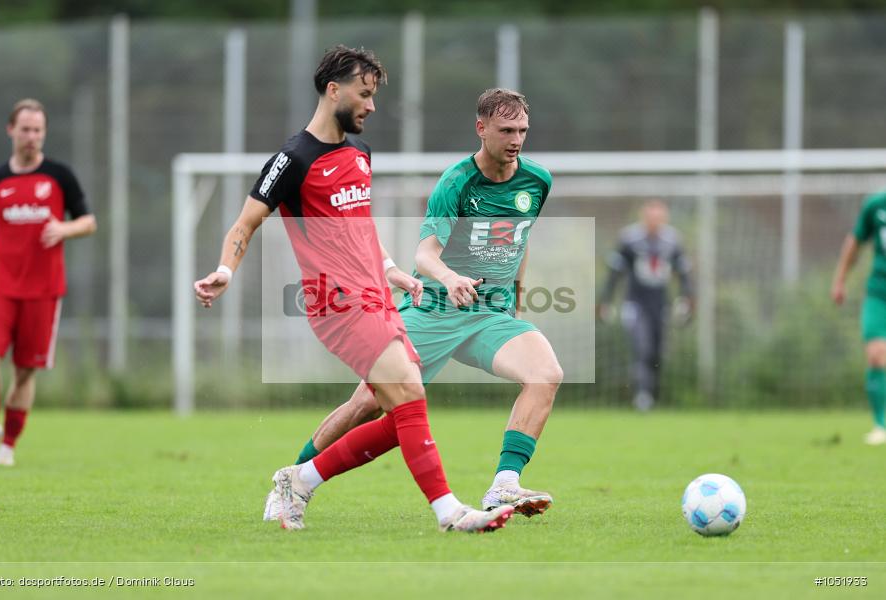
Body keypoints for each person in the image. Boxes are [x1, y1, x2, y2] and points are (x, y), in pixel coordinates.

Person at [194, 46, 514, 533]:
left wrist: (390, 269)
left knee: (397, 413)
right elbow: (245, 224)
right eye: (364, 95)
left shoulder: (360, 154)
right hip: (336, 302)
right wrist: (225, 269)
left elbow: (357, 224)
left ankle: (299, 479)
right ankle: (449, 512)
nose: (371, 105)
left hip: (378, 297)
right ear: (333, 90)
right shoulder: (292, 158)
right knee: (409, 393)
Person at [275, 88, 561, 520]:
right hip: (435, 311)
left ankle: (505, 485)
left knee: (545, 374)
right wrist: (450, 278)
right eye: (506, 130)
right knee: (367, 405)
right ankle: (292, 481)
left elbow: (521, 242)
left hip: (488, 316)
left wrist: (515, 306)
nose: (516, 138)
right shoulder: (456, 182)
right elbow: (426, 254)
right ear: (481, 129)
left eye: (522, 129)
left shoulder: (537, 181)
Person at [0, 98, 97, 466]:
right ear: (11, 130)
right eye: (25, 129)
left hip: (44, 291)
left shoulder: (59, 175)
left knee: (26, 371)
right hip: (2, 288)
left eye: (38, 130)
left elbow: (89, 221)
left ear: (44, 133)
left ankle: (8, 444)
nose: (32, 137)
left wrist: (64, 227)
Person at [597, 199, 693, 411]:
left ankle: (653, 395)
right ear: (643, 218)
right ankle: (642, 396)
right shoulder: (629, 239)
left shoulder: (673, 240)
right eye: (650, 218)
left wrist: (687, 299)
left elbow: (684, 273)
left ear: (664, 219)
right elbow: (615, 274)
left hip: (660, 304)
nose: (654, 222)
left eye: (658, 218)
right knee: (642, 347)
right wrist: (605, 301)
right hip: (635, 302)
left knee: (657, 353)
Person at [831, 190, 886, 445]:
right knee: (876, 354)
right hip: (879, 293)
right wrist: (840, 279)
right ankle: (881, 425)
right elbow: (855, 242)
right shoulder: (876, 206)